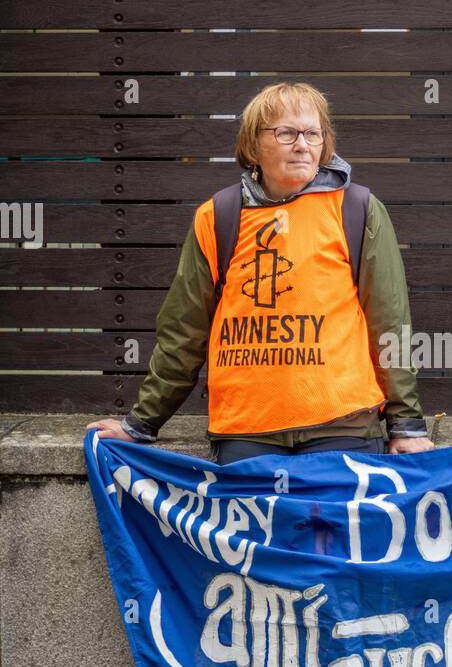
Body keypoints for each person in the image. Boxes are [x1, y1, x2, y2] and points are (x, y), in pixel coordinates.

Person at [87, 81, 434, 463]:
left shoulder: (357, 209)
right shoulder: (217, 216)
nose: (302, 145)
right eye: (286, 133)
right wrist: (142, 422)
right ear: (254, 144)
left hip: (343, 427)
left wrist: (406, 424)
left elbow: (389, 322)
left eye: (313, 133)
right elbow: (184, 331)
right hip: (247, 431)